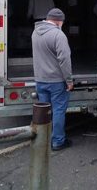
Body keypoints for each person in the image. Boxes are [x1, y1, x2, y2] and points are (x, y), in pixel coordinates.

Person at [32, 8, 74, 151]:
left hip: (40, 80)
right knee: (58, 111)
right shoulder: (58, 34)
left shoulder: (35, 32)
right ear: (59, 21)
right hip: (56, 81)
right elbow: (64, 59)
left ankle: (43, 139)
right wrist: (68, 80)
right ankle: (57, 141)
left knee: (44, 112)